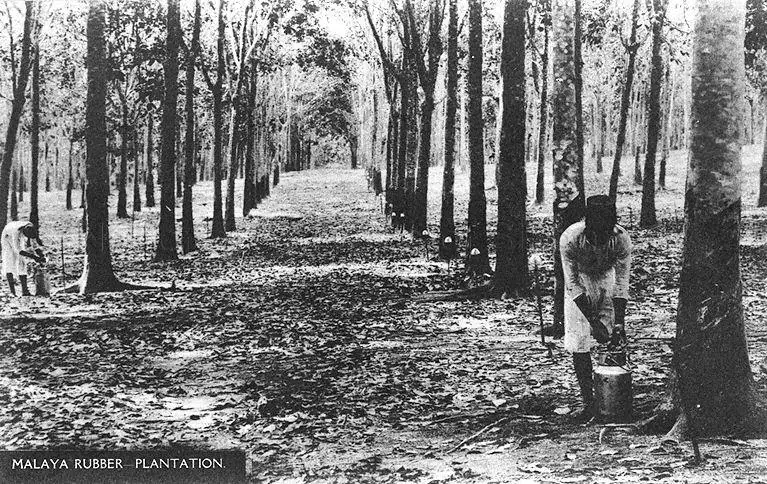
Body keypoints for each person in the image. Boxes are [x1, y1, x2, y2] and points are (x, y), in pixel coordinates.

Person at [560, 195, 631, 422]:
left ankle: (610, 400)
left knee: (611, 339)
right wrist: (592, 320)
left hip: (606, 279)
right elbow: (571, 282)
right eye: (596, 233)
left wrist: (619, 322)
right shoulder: (571, 238)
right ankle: (588, 403)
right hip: (580, 283)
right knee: (580, 344)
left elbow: (621, 281)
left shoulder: (621, 239)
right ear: (587, 225)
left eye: (605, 233)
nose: (600, 238)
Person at [2, 221, 45, 296]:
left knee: (22, 262)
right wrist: (34, 257)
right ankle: (12, 291)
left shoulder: (31, 228)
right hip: (7, 236)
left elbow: (34, 245)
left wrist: (41, 255)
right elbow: (18, 250)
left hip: (20, 236)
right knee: (10, 260)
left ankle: (25, 291)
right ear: (25, 232)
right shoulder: (16, 232)